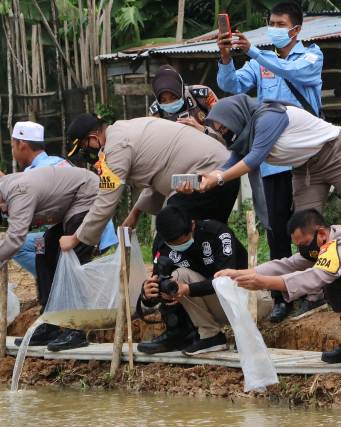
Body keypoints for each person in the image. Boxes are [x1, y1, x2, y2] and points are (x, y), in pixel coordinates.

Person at [217, 1, 323, 322]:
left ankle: (315, 291)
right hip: (273, 160)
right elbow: (231, 85)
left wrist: (255, 53)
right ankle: (281, 296)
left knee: (309, 226)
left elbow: (290, 72)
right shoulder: (261, 60)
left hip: (304, 158)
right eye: (271, 23)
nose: (274, 28)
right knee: (277, 229)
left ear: (296, 28)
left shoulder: (311, 56)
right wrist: (225, 57)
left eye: (280, 23)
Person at [215, 209, 341, 365]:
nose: (303, 250)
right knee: (337, 286)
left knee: (335, 287)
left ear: (321, 234)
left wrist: (263, 283)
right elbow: (287, 264)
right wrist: (241, 273)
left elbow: (315, 278)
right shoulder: (325, 245)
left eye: (304, 243)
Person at [190, 95, 341, 230]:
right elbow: (232, 161)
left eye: (224, 127)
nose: (225, 133)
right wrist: (209, 178)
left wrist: (220, 179)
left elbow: (253, 159)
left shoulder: (268, 117)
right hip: (305, 167)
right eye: (220, 130)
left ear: (236, 117)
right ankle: (317, 286)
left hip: (334, 153)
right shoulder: (245, 136)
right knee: (306, 228)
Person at [58, 113, 238, 253]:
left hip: (207, 176)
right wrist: (135, 213)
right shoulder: (126, 129)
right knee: (208, 239)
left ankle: (169, 296)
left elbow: (106, 199)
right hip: (222, 173)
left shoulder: (115, 149)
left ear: (94, 136)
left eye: (84, 145)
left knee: (168, 238)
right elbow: (157, 173)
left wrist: (76, 238)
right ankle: (221, 283)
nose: (86, 153)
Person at [137, 205, 272, 355]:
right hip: (218, 306)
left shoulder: (218, 233)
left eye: (184, 240)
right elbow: (163, 285)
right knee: (177, 277)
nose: (180, 246)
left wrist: (189, 289)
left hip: (252, 301)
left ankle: (245, 335)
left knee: (192, 282)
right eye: (173, 244)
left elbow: (226, 279)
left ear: (192, 225)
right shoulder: (162, 244)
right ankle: (210, 336)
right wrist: (148, 294)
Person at [5, 167, 100, 350]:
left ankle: (77, 329)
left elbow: (15, 236)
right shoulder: (14, 184)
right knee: (42, 249)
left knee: (71, 257)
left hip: (86, 200)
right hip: (67, 212)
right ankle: (50, 323)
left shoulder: (17, 191)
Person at [7, 121, 118, 278]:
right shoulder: (54, 163)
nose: (13, 151)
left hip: (82, 231)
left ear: (22, 145)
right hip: (74, 229)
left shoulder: (41, 172)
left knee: (22, 246)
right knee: (38, 247)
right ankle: (54, 280)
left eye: (13, 146)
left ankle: (57, 282)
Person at [149, 64, 218, 136]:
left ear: (181, 90)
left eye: (174, 97)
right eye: (163, 100)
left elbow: (223, 132)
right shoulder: (155, 112)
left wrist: (202, 129)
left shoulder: (203, 94)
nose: (169, 103)